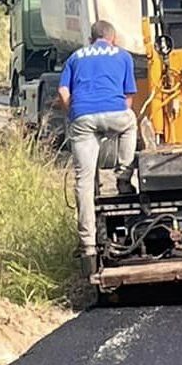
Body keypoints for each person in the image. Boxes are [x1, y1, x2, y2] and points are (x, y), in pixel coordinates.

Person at [58, 20, 138, 277]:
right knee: (130, 123)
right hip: (115, 112)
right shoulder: (122, 55)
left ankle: (88, 244)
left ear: (91, 39)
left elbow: (62, 92)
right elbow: (128, 97)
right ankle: (124, 178)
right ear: (112, 38)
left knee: (83, 181)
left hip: (82, 116)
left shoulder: (75, 56)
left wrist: (74, 113)